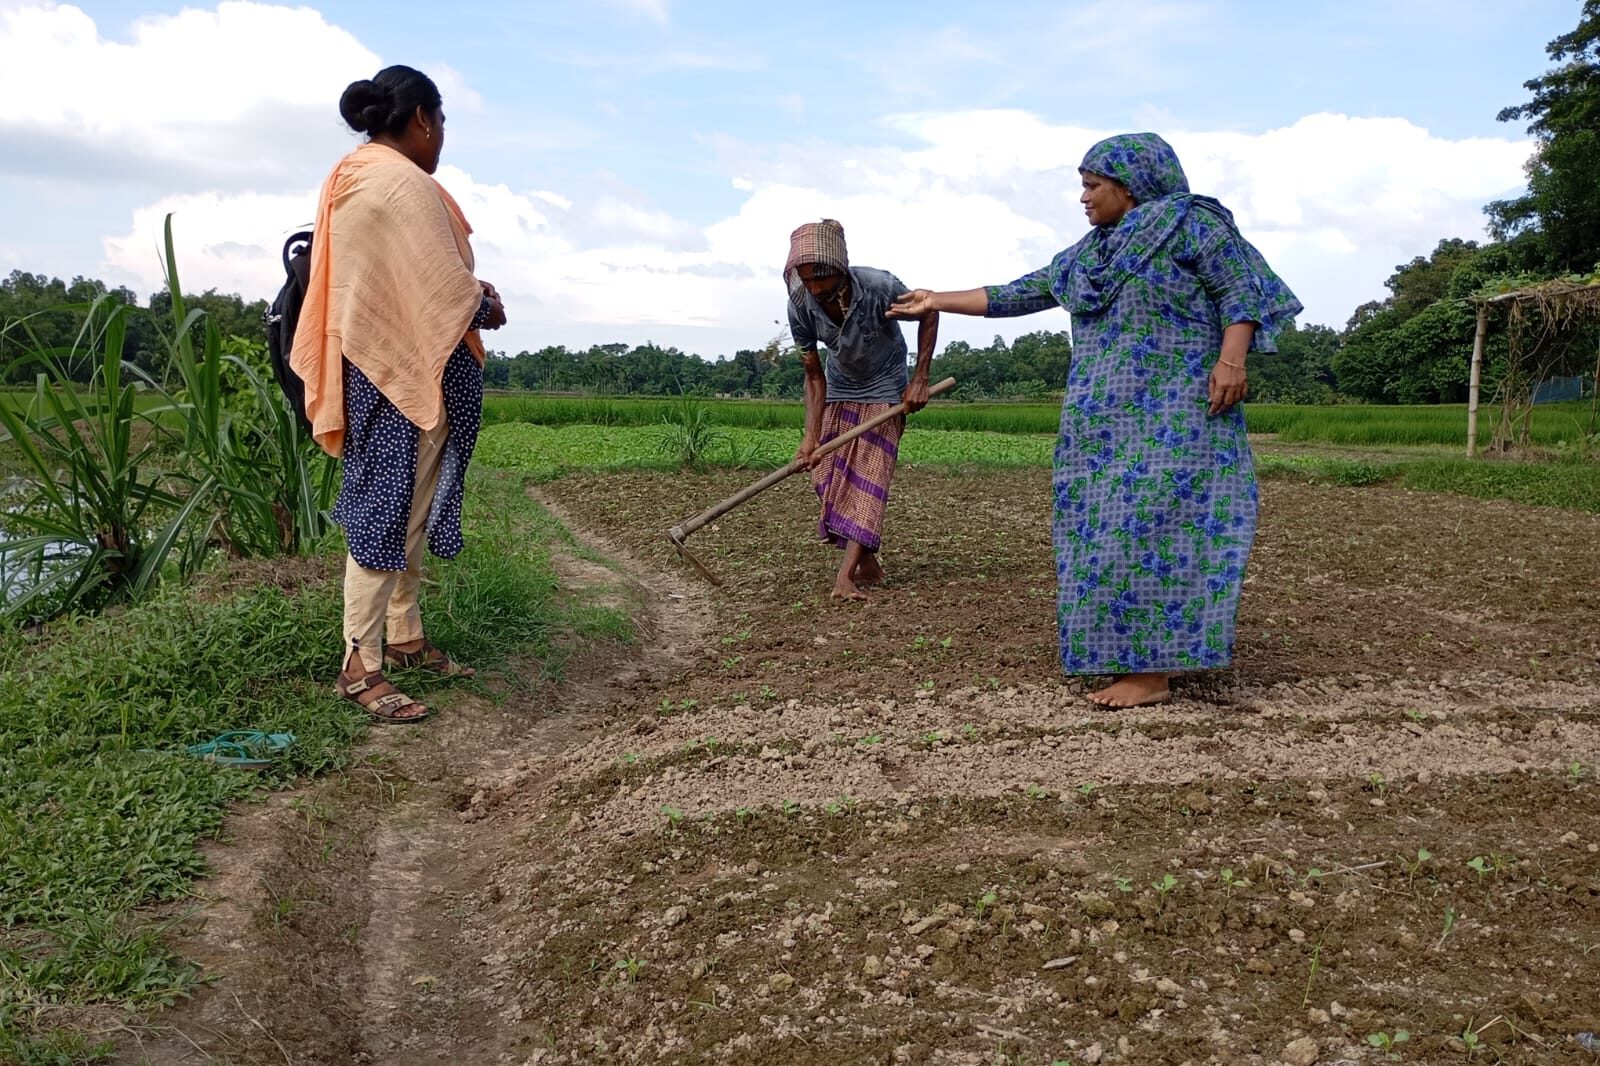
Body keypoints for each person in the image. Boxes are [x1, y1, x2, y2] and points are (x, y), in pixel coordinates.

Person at [889, 133, 1300, 707]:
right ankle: (1129, 655)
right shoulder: (1090, 254)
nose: (1083, 198)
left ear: (1128, 185)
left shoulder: (1193, 225)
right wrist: (935, 299)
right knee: (1099, 533)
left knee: (1161, 531)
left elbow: (1241, 296)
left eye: (1092, 186)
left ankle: (1153, 673)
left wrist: (1232, 362)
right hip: (1100, 421)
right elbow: (1019, 293)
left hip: (1179, 412)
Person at [291, 65, 506, 724]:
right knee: (383, 515)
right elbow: (443, 286)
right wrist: (483, 301)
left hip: (391, 368)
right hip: (394, 377)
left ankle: (406, 636)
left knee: (409, 512)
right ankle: (360, 666)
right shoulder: (399, 183)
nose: (441, 138)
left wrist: (465, 298)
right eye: (441, 123)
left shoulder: (355, 175)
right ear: (422, 119)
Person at [785, 219, 937, 600]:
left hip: (886, 384)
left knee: (868, 477)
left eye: (822, 279)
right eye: (807, 280)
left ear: (840, 268)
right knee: (825, 472)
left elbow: (929, 312)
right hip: (840, 384)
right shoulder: (801, 305)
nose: (816, 289)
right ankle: (867, 559)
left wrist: (919, 378)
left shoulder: (879, 287)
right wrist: (809, 437)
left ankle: (846, 575)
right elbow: (813, 374)